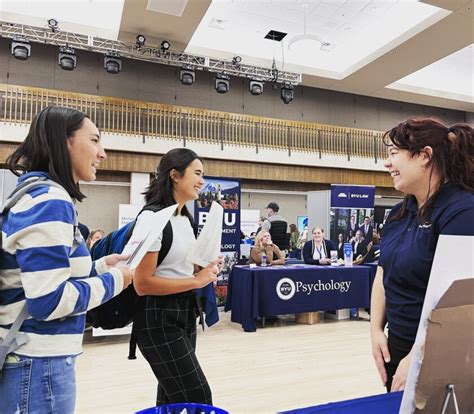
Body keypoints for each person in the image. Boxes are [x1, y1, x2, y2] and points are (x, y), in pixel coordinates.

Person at [0, 106, 133, 413]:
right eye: (95, 140)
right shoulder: (50, 201)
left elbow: (41, 278)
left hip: (33, 363)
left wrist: (101, 266)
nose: (102, 153)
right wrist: (116, 280)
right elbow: (47, 300)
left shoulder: (35, 195)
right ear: (65, 142)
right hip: (38, 365)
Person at [370, 118, 474, 393]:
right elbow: (383, 272)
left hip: (442, 352)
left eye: (394, 154)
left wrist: (419, 354)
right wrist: (375, 331)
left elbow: (457, 299)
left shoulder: (462, 212)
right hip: (398, 347)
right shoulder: (398, 212)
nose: (387, 164)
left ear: (425, 156)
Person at [132, 148, 220, 405]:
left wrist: (202, 270)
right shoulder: (151, 218)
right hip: (157, 318)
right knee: (198, 397)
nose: (202, 181)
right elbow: (142, 283)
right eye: (197, 173)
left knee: (172, 398)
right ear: (175, 175)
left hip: (184, 313)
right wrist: (196, 281)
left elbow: (180, 267)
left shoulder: (184, 217)